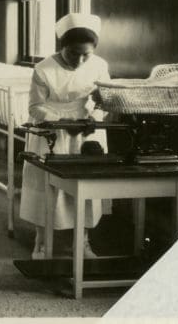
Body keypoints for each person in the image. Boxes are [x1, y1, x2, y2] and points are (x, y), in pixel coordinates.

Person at [19, 13, 112, 259]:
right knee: (46, 187)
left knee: (85, 186)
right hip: (52, 130)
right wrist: (61, 122)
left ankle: (82, 242)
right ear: (63, 47)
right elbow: (35, 107)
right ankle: (41, 242)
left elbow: (105, 100)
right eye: (74, 54)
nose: (80, 60)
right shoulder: (43, 69)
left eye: (86, 55)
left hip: (86, 132)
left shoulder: (100, 66)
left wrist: (94, 117)